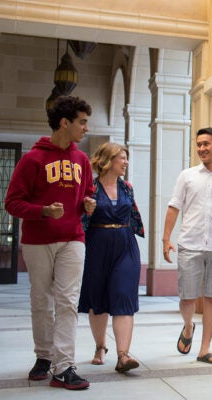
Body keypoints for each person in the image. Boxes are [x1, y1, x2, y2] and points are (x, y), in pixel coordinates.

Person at [4, 95, 96, 390]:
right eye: (82, 122)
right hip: (37, 240)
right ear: (64, 123)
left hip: (73, 238)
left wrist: (88, 203)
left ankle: (64, 365)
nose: (85, 128)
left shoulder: (82, 160)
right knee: (41, 301)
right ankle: (43, 355)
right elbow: (12, 203)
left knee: (68, 301)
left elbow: (87, 194)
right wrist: (42, 211)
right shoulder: (32, 160)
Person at [162, 127, 212, 365]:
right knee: (187, 297)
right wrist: (166, 238)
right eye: (199, 145)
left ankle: (204, 349)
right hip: (189, 244)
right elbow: (174, 206)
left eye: (206, 144)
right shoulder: (187, 176)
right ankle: (188, 327)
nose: (202, 149)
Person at [78, 142, 145, 373]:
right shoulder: (90, 189)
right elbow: (80, 219)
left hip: (126, 245)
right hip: (98, 245)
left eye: (126, 158)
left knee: (124, 296)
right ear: (108, 161)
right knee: (98, 301)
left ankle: (123, 355)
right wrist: (86, 209)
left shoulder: (127, 187)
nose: (126, 162)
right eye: (122, 158)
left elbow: (133, 215)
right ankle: (100, 347)